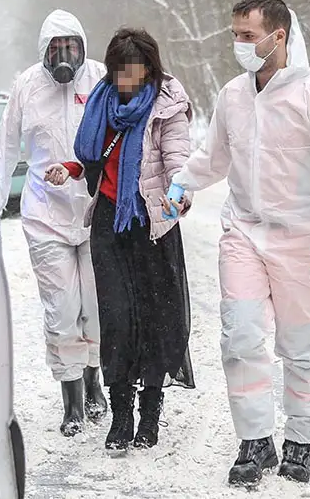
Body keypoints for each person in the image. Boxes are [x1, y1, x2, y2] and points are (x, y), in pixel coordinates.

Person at [164, 0, 310, 486]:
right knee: (240, 335)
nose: (238, 44)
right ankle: (255, 441)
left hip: (301, 237)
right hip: (244, 231)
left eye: (248, 36)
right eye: (234, 34)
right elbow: (215, 155)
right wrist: (183, 182)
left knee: (299, 346)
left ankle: (301, 439)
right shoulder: (233, 95)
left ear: (279, 36)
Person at [45, 28, 196, 454]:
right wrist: (70, 169)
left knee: (155, 318)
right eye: (119, 72)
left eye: (134, 72)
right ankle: (121, 413)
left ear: (149, 69)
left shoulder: (167, 104)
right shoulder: (102, 100)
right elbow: (93, 156)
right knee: (116, 317)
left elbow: (177, 160)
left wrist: (179, 194)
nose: (126, 81)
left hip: (152, 223)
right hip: (110, 221)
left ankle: (149, 412)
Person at [0, 10, 108, 437]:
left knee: (95, 309)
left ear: (82, 47)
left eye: (70, 47)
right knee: (62, 311)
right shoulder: (27, 86)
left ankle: (94, 381)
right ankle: (71, 400)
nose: (64, 56)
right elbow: (5, 148)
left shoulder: (100, 78)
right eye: (55, 48)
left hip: (95, 213)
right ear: (44, 50)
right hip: (45, 217)